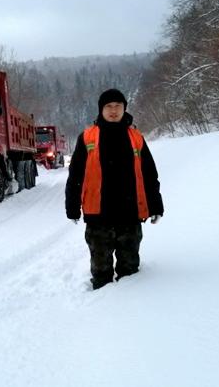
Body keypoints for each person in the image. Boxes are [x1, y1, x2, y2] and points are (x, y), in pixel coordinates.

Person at [65, 89, 164, 290]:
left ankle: (130, 311)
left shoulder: (135, 137)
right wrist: (72, 206)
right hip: (98, 217)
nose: (113, 110)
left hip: (130, 214)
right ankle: (103, 312)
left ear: (124, 109)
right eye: (109, 106)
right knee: (101, 274)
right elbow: (76, 176)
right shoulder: (87, 138)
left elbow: (149, 174)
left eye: (118, 106)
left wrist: (156, 205)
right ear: (101, 110)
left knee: (130, 273)